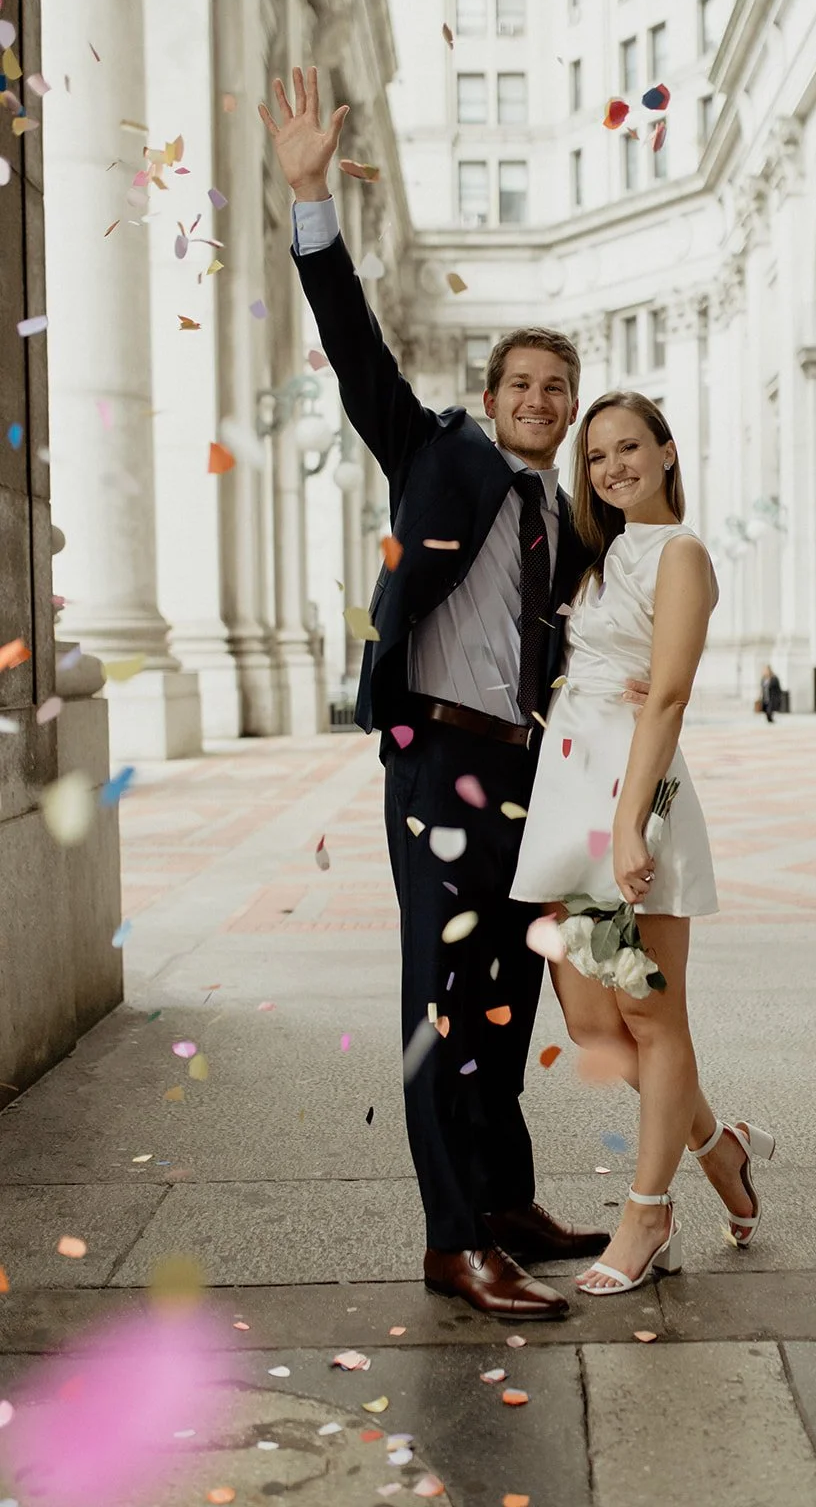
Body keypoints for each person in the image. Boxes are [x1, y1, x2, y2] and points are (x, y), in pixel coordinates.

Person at [260, 66, 637, 1322]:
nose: (537, 401)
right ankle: (450, 1239)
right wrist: (310, 197)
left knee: (507, 995)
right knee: (441, 996)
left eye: (554, 390)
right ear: (488, 398)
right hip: (437, 758)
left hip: (525, 769)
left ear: (567, 411)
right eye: (520, 385)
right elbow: (354, 345)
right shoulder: (434, 452)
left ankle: (505, 1200)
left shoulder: (564, 514)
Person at [511, 392, 776, 1295]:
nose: (612, 467)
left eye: (629, 448)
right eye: (595, 456)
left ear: (666, 452)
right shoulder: (601, 554)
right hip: (569, 785)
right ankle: (719, 1148)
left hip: (632, 791)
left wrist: (629, 823)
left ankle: (647, 1213)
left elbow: (667, 695)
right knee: (592, 1023)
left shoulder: (680, 553)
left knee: (652, 1016)